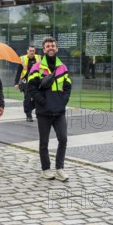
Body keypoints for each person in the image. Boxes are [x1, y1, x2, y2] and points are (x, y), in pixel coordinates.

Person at [27, 37, 72, 182]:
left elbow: (68, 86)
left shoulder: (62, 67)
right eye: (47, 46)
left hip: (59, 111)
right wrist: (43, 102)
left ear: (57, 49)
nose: (50, 48)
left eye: (53, 46)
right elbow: (31, 88)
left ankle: (60, 169)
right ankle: (46, 170)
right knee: (44, 142)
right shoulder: (37, 67)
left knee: (63, 139)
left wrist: (63, 101)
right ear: (44, 49)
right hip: (44, 112)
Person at [14, 45, 41, 122]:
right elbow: (19, 72)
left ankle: (31, 109)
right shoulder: (22, 59)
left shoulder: (39, 58)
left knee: (38, 98)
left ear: (35, 51)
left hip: (36, 82)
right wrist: (16, 83)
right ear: (27, 51)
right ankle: (28, 115)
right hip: (25, 82)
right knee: (27, 99)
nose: (32, 52)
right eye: (30, 50)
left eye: (33, 51)